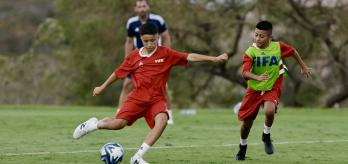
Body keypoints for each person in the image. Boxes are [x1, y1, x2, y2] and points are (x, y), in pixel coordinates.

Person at [73, 23, 228, 164]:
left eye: (153, 40)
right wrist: (102, 87)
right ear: (141, 39)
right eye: (146, 41)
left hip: (156, 100)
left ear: (158, 38)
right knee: (117, 124)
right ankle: (93, 125)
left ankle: (137, 157)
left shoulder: (166, 53)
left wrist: (214, 59)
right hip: (137, 99)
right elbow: (117, 73)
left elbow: (189, 56)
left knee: (163, 120)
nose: (149, 44)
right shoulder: (133, 56)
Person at [235, 20, 312, 160]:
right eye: (256, 35)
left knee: (269, 110)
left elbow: (293, 51)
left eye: (261, 36)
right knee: (247, 124)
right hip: (254, 89)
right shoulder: (250, 52)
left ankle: (266, 135)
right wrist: (257, 77)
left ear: (270, 37)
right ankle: (242, 146)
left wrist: (303, 66)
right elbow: (244, 73)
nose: (258, 38)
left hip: (272, 85)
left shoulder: (278, 46)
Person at [120, 0, 175, 124]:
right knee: (127, 85)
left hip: (155, 59)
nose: (142, 9)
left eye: (144, 6)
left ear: (148, 7)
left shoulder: (158, 20)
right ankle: (120, 113)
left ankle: (169, 115)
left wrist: (167, 56)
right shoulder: (131, 23)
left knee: (163, 87)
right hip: (138, 59)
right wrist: (127, 61)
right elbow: (129, 42)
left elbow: (166, 37)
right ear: (135, 9)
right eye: (139, 6)